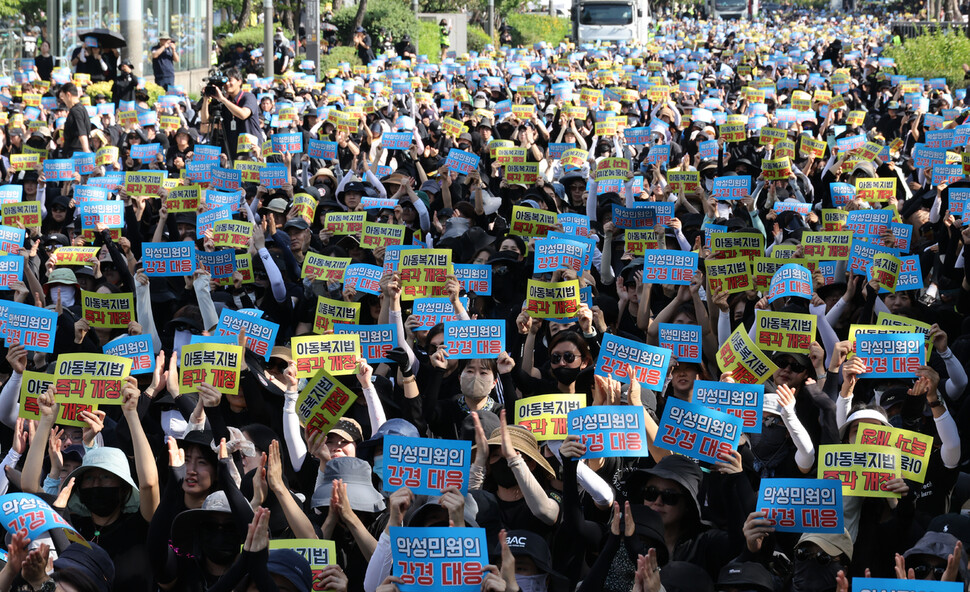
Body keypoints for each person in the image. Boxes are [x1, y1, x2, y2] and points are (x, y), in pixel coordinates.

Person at [199, 66, 263, 157]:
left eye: (230, 80)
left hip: (251, 151)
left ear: (239, 81)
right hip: (232, 152)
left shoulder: (248, 97)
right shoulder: (224, 102)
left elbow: (243, 114)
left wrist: (223, 99)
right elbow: (206, 121)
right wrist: (206, 99)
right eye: (226, 81)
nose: (227, 84)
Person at [58, 81, 91, 157]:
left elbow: (82, 132)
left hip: (75, 155)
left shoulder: (75, 111)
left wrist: (86, 151)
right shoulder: (82, 108)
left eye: (63, 98)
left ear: (68, 95)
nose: (63, 102)